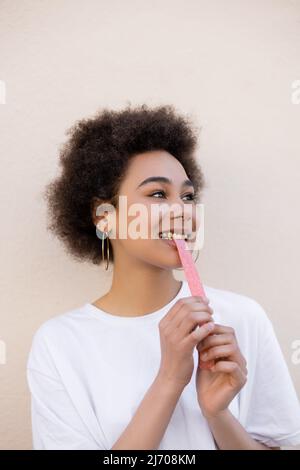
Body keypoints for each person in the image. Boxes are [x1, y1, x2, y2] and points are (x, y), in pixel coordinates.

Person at [27, 104, 300, 450]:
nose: (183, 211)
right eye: (158, 194)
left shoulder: (244, 318)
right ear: (104, 217)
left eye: (188, 196)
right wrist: (170, 379)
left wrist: (218, 415)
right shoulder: (59, 344)